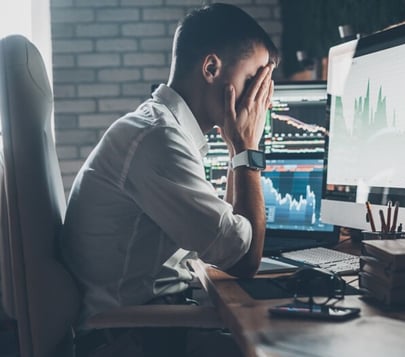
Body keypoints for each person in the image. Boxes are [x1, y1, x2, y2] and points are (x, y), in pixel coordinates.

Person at [60, 3, 278, 356]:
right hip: (132, 340)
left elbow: (228, 235)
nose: (259, 100)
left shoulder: (161, 129)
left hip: (150, 325)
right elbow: (243, 260)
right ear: (211, 68)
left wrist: (237, 148)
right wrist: (247, 147)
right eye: (254, 81)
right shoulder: (158, 139)